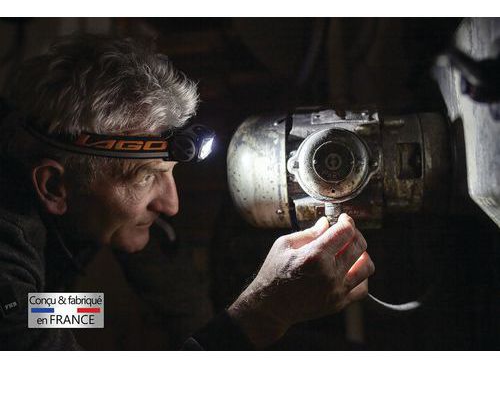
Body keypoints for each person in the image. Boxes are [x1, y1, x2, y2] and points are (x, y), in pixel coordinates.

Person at [0, 34, 375, 350]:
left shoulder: (82, 202)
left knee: (93, 311)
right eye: (145, 177)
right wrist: (263, 314)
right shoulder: (8, 268)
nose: (172, 204)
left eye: (170, 173)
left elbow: (183, 308)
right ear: (54, 186)